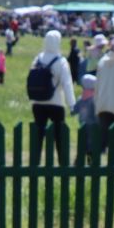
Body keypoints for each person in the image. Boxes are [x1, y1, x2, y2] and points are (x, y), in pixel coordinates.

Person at [28, 28, 75, 162]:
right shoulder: (61, 61)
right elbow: (67, 84)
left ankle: (35, 161)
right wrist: (72, 104)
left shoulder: (38, 58)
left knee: (38, 135)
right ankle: (62, 161)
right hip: (56, 103)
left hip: (38, 103)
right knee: (59, 135)